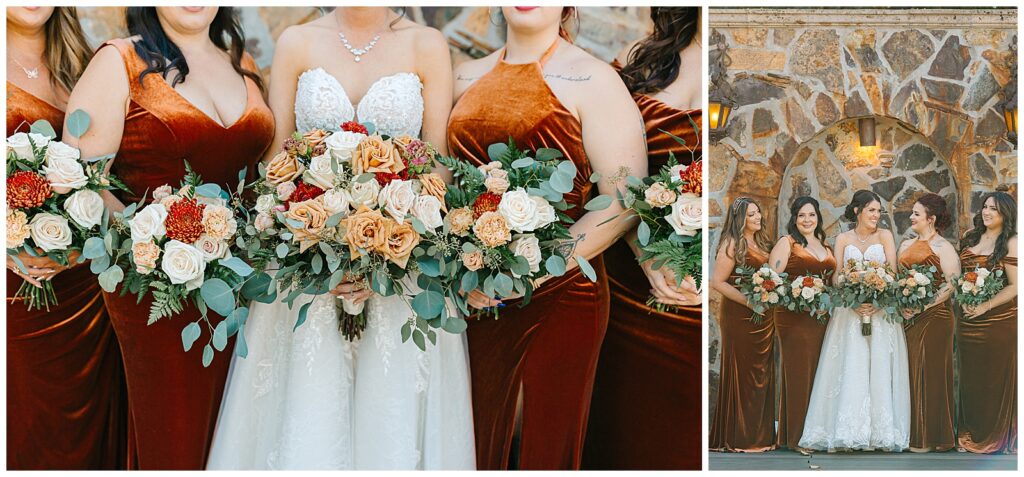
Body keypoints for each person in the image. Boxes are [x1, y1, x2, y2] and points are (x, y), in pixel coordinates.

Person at [206, 7, 475, 470]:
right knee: (306, 416)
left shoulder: (426, 45)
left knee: (387, 420)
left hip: (400, 275)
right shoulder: (296, 41)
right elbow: (276, 167)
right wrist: (309, 235)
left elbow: (437, 170)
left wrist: (390, 251)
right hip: (304, 273)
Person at [62, 7, 274, 469]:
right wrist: (158, 240)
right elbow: (79, 181)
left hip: (246, 293)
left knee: (240, 437)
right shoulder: (118, 63)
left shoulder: (244, 65)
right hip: (157, 291)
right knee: (176, 442)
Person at [448, 6, 647, 469]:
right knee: (468, 437)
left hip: (562, 292)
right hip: (471, 292)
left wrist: (528, 270)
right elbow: (443, 185)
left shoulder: (593, 79)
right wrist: (464, 267)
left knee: (543, 441)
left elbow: (623, 202)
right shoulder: (463, 76)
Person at [6, 6, 127, 469]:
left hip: (86, 291)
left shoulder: (84, 64)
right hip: (15, 292)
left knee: (91, 434)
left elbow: (108, 179)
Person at [583, 7, 702, 469]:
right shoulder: (639, 61)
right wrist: (647, 251)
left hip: (699, 297)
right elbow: (607, 176)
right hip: (631, 290)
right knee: (623, 434)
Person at [799, 190, 910, 452]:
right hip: (849, 312)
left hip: (880, 313)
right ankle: (848, 432)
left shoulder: (884, 236)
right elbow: (836, 276)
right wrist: (851, 290)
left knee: (878, 367)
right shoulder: (843, 238)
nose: (876, 215)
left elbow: (892, 272)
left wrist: (877, 294)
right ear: (857, 211)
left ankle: (880, 433)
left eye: (878, 211)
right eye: (871, 210)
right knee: (851, 366)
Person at [767, 196, 835, 452]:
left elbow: (830, 279)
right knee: (799, 374)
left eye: (812, 215)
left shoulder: (824, 244)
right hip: (794, 316)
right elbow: (771, 280)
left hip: (822, 316)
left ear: (818, 217)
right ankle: (796, 438)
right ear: (794, 219)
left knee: (820, 374)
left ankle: (815, 432)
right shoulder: (788, 243)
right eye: (802, 216)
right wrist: (799, 297)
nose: (807, 220)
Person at [709, 197, 775, 452]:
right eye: (751, 215)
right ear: (740, 219)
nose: (758, 217)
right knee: (744, 372)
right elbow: (718, 281)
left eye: (758, 212)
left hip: (764, 316)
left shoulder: (761, 242)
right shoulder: (731, 243)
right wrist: (750, 302)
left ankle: (761, 436)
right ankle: (741, 437)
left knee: (762, 372)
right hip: (740, 313)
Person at [897, 193, 959, 453]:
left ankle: (932, 436)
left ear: (931, 219)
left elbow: (951, 284)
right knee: (910, 372)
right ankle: (912, 433)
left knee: (929, 372)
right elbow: (897, 280)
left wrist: (923, 305)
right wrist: (902, 304)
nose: (911, 217)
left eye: (916, 214)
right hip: (908, 317)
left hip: (935, 317)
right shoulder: (904, 245)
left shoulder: (944, 247)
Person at [957, 191, 1017, 454]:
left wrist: (985, 306)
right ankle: (971, 430)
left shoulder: (1012, 242)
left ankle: (993, 435)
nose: (987, 212)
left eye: (994, 208)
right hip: (968, 321)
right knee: (971, 379)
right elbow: (961, 277)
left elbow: (1016, 287)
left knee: (993, 379)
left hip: (998, 321)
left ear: (1006, 213)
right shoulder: (970, 237)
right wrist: (963, 299)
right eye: (984, 207)